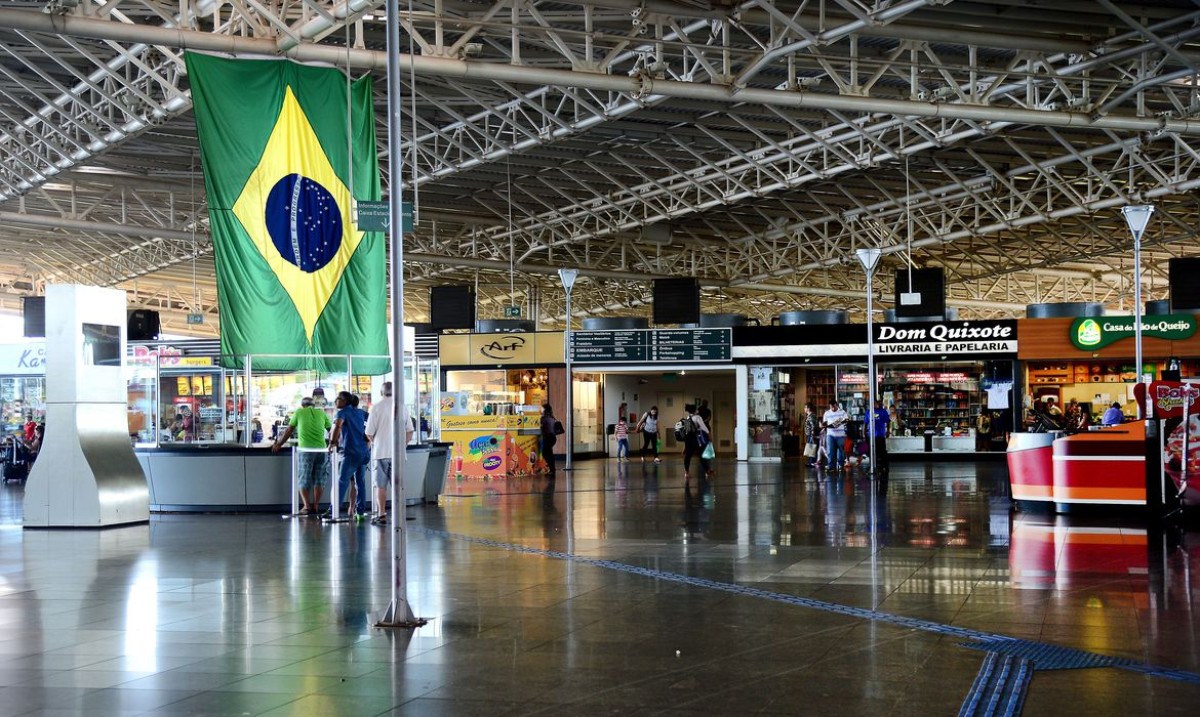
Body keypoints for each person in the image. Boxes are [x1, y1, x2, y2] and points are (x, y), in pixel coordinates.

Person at [364, 381, 414, 525]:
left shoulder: (376, 408)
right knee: (398, 485)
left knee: (381, 485)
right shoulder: (402, 407)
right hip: (398, 454)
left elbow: (369, 433)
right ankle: (399, 514)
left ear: (381, 392)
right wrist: (402, 445)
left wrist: (376, 442)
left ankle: (381, 514)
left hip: (380, 453)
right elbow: (410, 431)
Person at [271, 396, 331, 515]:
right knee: (320, 478)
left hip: (306, 450)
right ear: (313, 405)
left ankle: (306, 506)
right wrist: (335, 442)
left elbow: (289, 430)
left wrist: (279, 444)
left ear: (302, 405)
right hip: (322, 450)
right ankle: (316, 505)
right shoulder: (321, 413)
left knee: (304, 477)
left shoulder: (299, 412)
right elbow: (331, 429)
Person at [329, 391, 369, 519]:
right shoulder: (361, 412)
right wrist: (368, 439)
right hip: (363, 452)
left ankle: (333, 510)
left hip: (351, 452)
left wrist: (332, 442)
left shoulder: (342, 413)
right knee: (360, 482)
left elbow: (337, 427)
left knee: (342, 481)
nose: (336, 400)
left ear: (345, 401)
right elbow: (372, 423)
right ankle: (361, 512)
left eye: (339, 398)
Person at [681, 403, 711, 481]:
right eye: (696, 409)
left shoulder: (688, 417)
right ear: (695, 410)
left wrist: (685, 446)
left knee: (688, 456)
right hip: (697, 439)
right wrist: (709, 435)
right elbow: (704, 427)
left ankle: (687, 473)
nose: (698, 410)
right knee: (701, 455)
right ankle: (707, 471)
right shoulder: (698, 417)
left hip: (689, 439)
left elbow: (687, 431)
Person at [822, 399, 848, 472]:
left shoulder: (842, 412)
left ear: (837, 405)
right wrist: (822, 425)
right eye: (831, 407)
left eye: (834, 407)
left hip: (840, 435)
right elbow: (825, 423)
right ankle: (831, 466)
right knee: (830, 451)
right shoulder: (827, 413)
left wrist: (836, 424)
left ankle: (841, 465)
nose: (833, 409)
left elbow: (846, 420)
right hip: (830, 435)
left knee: (841, 451)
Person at [864, 400, 889, 475]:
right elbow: (865, 423)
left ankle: (884, 466)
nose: (873, 405)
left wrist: (887, 431)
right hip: (871, 435)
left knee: (882, 451)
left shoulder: (883, 411)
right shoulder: (868, 412)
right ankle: (872, 465)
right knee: (871, 451)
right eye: (872, 404)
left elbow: (888, 421)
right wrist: (863, 433)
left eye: (874, 403)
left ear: (877, 403)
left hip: (880, 434)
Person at [540, 404, 559, 480]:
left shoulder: (544, 418)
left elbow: (540, 426)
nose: (540, 410)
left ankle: (552, 470)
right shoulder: (551, 417)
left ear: (544, 409)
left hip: (548, 437)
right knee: (549, 453)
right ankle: (552, 470)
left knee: (546, 453)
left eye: (541, 408)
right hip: (553, 437)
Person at [803, 402, 820, 468]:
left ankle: (812, 462)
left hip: (811, 434)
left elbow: (813, 425)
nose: (804, 409)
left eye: (805, 407)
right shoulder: (812, 415)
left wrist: (812, 433)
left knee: (811, 448)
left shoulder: (811, 416)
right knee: (811, 448)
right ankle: (811, 462)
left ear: (808, 408)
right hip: (811, 434)